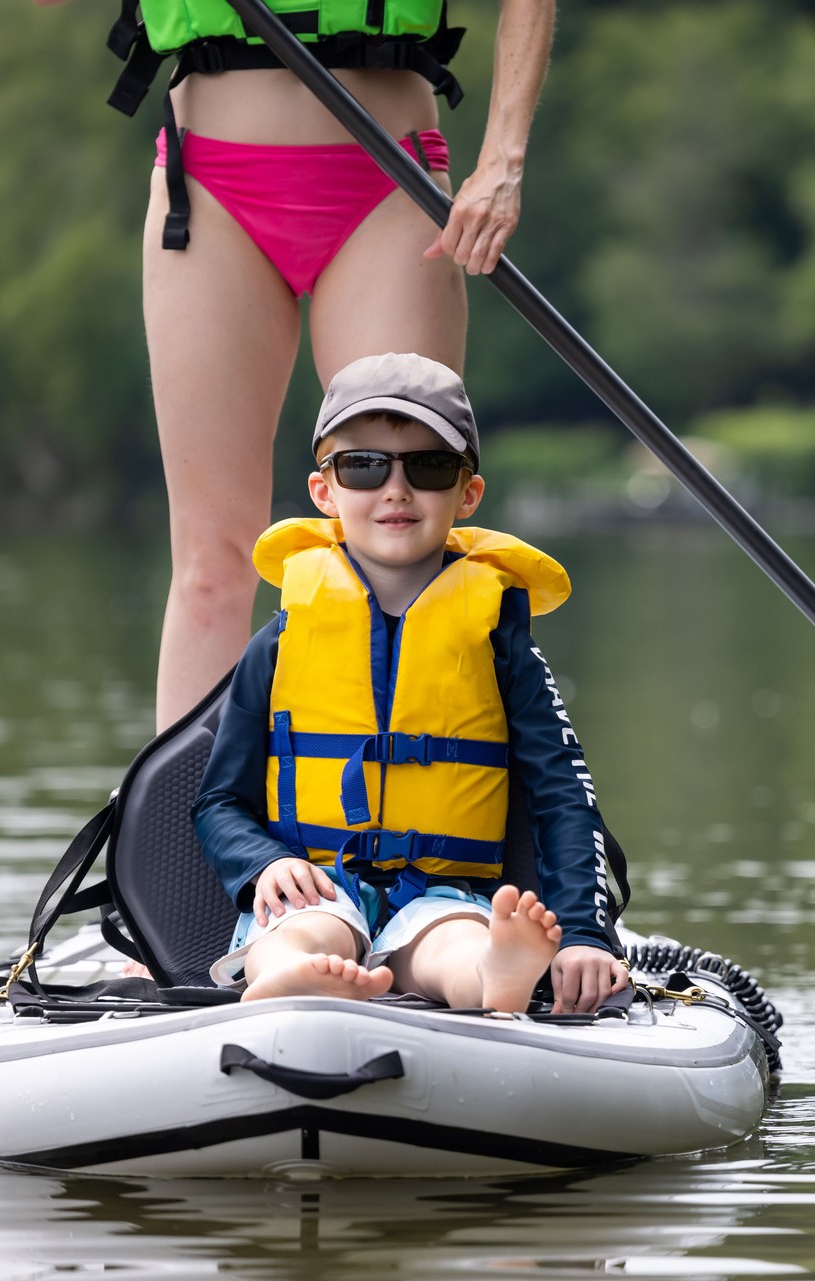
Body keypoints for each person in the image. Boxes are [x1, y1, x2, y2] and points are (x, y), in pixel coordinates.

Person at [34, 0, 556, 729]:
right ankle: (190, 829)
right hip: (210, 186)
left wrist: (503, 155)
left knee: (398, 543)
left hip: (387, 180)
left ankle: (402, 823)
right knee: (213, 564)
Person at [191, 352, 628, 1014]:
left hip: (447, 894)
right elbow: (218, 800)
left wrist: (585, 932)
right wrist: (261, 864)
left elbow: (564, 795)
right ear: (324, 491)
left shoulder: (502, 645)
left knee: (453, 943)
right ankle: (288, 973)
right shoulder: (277, 645)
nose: (395, 489)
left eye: (427, 467)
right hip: (316, 885)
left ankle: (494, 980)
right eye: (364, 466)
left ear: (468, 493)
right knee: (303, 929)